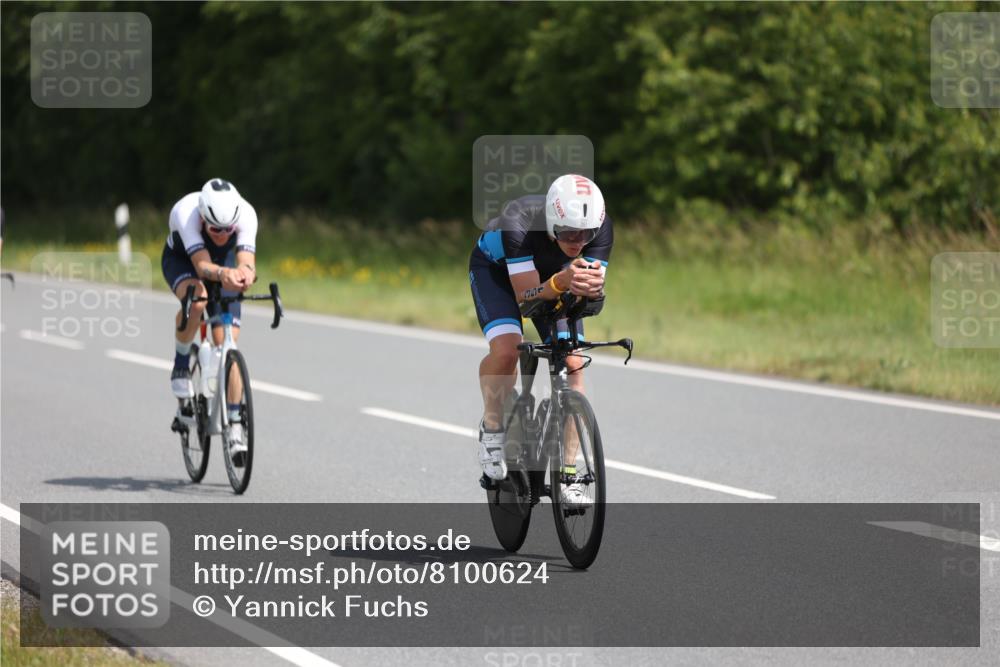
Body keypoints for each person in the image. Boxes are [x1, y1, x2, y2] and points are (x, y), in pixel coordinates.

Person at [468, 174, 612, 507]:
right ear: (551, 222)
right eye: (568, 233)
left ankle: (569, 474)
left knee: (573, 361)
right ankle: (492, 429)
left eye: (586, 234)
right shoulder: (519, 221)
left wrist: (588, 291)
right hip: (498, 274)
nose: (578, 242)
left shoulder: (600, 227)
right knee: (507, 350)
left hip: (556, 277)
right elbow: (527, 299)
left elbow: (588, 294)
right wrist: (562, 281)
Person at [161, 179, 258, 462]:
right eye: (216, 229)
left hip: (223, 262)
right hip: (183, 260)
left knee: (227, 343)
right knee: (198, 299)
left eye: (229, 229)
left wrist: (246, 273)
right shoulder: (187, 213)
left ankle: (235, 427)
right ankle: (181, 366)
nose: (223, 234)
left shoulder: (247, 214)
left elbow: (246, 260)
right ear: (203, 219)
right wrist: (225, 274)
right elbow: (202, 266)